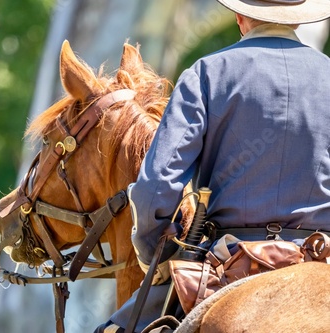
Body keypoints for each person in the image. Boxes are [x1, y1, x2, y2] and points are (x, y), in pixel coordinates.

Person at [95, 0, 330, 332]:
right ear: (297, 19)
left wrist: (154, 252)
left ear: (239, 16)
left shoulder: (208, 73)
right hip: (321, 255)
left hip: (228, 259)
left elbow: (156, 188)